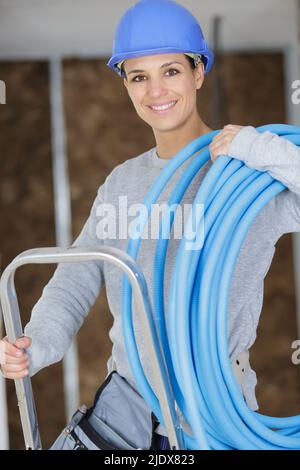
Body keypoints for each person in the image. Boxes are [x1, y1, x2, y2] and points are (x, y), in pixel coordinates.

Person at [1, 0, 300, 450]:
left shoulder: (249, 173)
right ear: (126, 85)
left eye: (171, 71)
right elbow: (77, 278)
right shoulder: (122, 182)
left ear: (199, 73)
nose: (156, 90)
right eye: (139, 76)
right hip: (127, 416)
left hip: (216, 415)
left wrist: (260, 148)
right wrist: (37, 345)